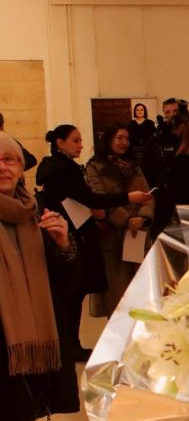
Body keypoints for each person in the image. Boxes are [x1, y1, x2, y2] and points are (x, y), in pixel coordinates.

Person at [0, 132, 80, 421]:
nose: (3, 167)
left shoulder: (34, 212)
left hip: (23, 355)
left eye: (10, 159)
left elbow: (64, 290)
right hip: (2, 350)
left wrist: (62, 244)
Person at [35, 124, 151, 361]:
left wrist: (142, 214)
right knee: (75, 292)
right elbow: (91, 198)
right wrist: (127, 203)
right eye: (75, 140)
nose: (80, 145)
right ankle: (71, 346)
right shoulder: (63, 170)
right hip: (74, 237)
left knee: (78, 293)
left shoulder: (66, 167)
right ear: (60, 143)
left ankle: (74, 344)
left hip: (87, 232)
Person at [84, 124, 153, 317]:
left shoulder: (134, 166)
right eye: (119, 138)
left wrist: (142, 217)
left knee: (141, 293)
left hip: (138, 233)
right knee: (117, 296)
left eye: (127, 139)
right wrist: (127, 219)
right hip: (113, 236)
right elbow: (99, 199)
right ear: (109, 140)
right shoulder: (95, 167)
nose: (124, 142)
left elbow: (148, 195)